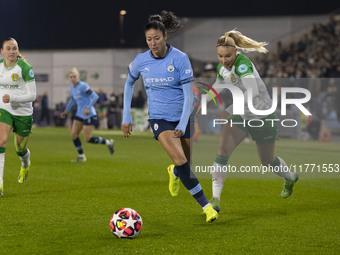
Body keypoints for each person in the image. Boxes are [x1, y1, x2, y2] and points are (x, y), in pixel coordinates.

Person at [122, 11, 218, 223]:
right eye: (149, 39)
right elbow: (129, 83)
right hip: (160, 118)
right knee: (182, 160)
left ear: (165, 36)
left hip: (184, 116)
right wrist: (125, 116)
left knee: (185, 163)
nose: (153, 43)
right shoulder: (141, 60)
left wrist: (184, 123)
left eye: (156, 38)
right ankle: (207, 207)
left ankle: (174, 172)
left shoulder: (180, 59)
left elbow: (187, 95)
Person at [200, 29, 299, 212]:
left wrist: (230, 110)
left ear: (236, 52)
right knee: (222, 152)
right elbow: (219, 85)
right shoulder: (222, 68)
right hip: (241, 115)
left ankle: (290, 178)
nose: (224, 60)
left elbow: (252, 93)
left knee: (267, 160)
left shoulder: (243, 64)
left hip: (262, 115)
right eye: (220, 56)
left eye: (228, 56)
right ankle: (215, 200)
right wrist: (203, 102)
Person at [0, 38, 36, 197]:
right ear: (2, 51)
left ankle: (25, 162)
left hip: (23, 113)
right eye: (8, 48)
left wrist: (13, 98)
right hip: (5, 109)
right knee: (1, 141)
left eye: (14, 48)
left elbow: (33, 95)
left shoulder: (25, 68)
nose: (12, 51)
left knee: (19, 149)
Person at [60, 67, 114, 162]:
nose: (73, 78)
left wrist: (88, 107)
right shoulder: (72, 88)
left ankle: (108, 142)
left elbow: (95, 96)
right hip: (79, 114)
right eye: (71, 77)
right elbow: (72, 100)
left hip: (89, 115)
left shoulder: (83, 86)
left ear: (79, 77)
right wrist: (66, 111)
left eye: (74, 76)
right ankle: (81, 156)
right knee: (74, 135)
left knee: (87, 139)